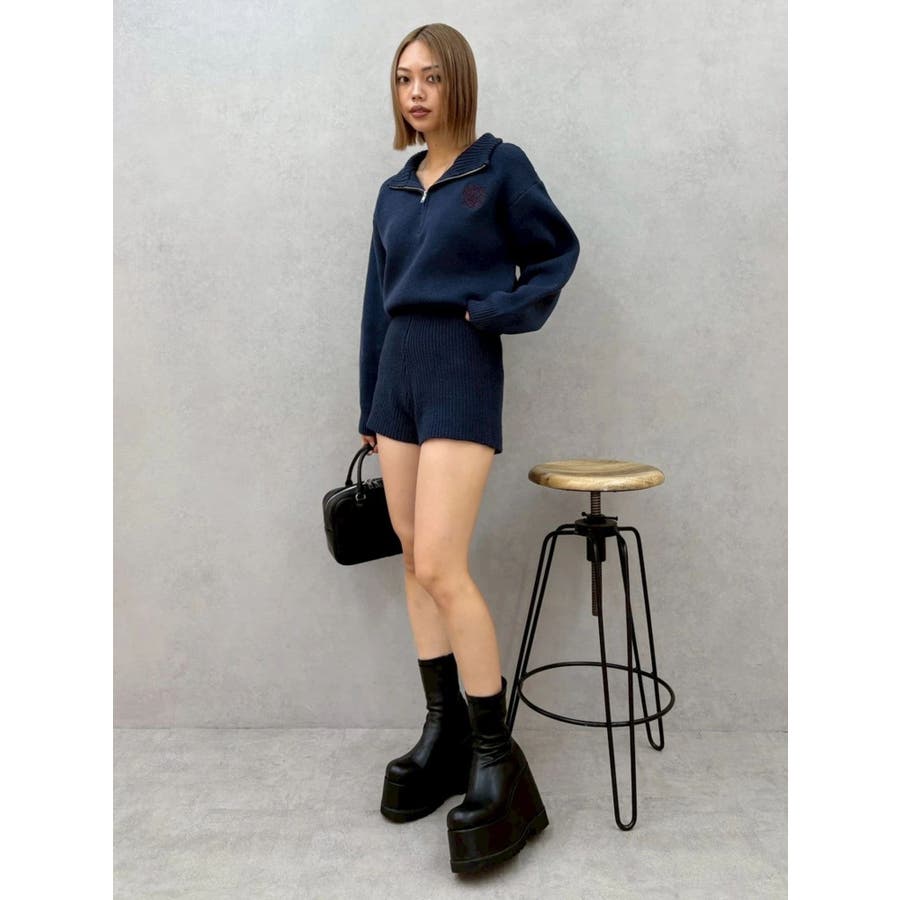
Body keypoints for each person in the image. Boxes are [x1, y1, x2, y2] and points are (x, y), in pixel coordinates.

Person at [356, 23, 580, 875]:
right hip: (399, 379)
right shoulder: (392, 190)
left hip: (458, 367)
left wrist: (492, 312)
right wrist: (369, 404)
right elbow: (375, 303)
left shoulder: (499, 168)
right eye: (403, 79)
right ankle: (444, 731)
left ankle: (496, 759)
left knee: (444, 564)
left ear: (458, 83)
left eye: (430, 78)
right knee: (414, 561)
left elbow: (555, 254)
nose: (415, 93)